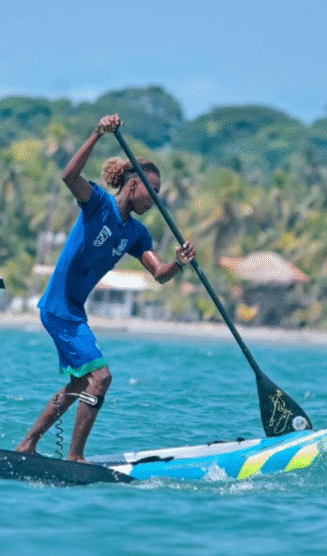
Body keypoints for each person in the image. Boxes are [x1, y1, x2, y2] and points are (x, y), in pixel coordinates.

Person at [16, 114, 196, 462]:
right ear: (132, 186)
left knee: (81, 384)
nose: (156, 200)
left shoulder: (138, 233)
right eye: (152, 191)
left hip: (74, 311)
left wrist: (180, 263)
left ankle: (28, 445)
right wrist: (97, 133)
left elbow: (159, 273)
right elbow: (69, 176)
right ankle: (75, 457)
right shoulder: (98, 203)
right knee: (101, 378)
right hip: (57, 308)